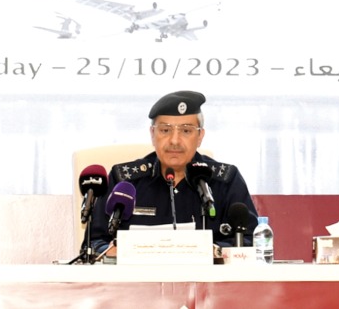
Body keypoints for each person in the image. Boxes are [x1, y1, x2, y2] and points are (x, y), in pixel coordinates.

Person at [89, 90, 258, 257]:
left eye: (186, 131)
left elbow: (249, 240)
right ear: (152, 134)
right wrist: (117, 253)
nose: (175, 141)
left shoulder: (225, 180)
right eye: (165, 130)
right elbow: (93, 242)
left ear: (200, 136)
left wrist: (214, 251)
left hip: (206, 282)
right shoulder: (124, 182)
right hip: (137, 282)